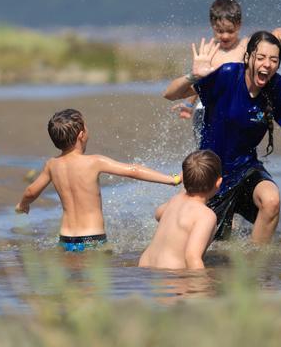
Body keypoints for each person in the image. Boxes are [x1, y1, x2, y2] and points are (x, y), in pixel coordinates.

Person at [164, 31, 281, 244]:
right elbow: (170, 94)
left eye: (274, 60)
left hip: (245, 168)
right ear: (248, 58)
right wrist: (194, 75)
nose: (267, 64)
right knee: (208, 246)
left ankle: (254, 264)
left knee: (271, 201)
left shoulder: (277, 87)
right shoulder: (228, 75)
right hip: (211, 176)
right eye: (261, 57)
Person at [15, 107, 181, 251]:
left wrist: (22, 205)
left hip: (66, 239)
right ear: (81, 135)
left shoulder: (52, 164)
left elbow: (31, 191)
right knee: (96, 282)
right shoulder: (94, 162)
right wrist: (171, 179)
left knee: (72, 281)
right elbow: (133, 170)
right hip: (92, 239)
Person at [171, 0, 281, 141]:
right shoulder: (208, 51)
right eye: (220, 31)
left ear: (239, 25)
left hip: (237, 105)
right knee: (206, 152)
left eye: (230, 31)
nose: (225, 36)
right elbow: (199, 82)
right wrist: (189, 104)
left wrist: (279, 34)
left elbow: (268, 42)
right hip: (207, 107)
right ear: (212, 25)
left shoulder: (246, 45)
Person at [139, 150, 222, 270]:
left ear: (183, 178)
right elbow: (192, 257)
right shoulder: (206, 216)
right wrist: (201, 287)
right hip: (171, 277)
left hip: (145, 268)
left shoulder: (175, 199)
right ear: (218, 182)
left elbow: (158, 214)